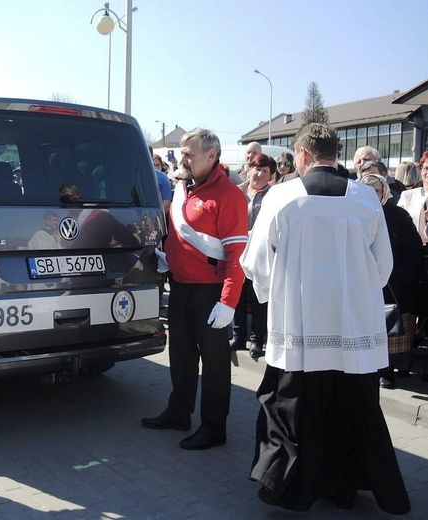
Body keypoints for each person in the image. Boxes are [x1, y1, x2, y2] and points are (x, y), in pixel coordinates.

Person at [241, 123, 410, 514]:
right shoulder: (366, 198)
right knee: (351, 410)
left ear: (301, 155)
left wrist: (271, 296)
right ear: (335, 154)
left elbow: (256, 263)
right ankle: (343, 485)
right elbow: (383, 266)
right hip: (354, 329)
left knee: (296, 409)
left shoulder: (282, 197)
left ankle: (291, 487)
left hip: (300, 327)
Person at [141, 128, 248, 450]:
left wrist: (228, 302)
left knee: (214, 365)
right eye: (181, 152)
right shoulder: (182, 189)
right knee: (182, 356)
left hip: (211, 292)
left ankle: (214, 428)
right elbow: (182, 238)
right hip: (182, 287)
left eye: (189, 153)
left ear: (211, 155)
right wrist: (168, 259)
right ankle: (179, 412)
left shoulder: (229, 196)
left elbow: (236, 257)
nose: (182, 159)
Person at [360, 173, 422, 388]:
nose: (372, 195)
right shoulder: (355, 214)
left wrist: (399, 276)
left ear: (384, 191)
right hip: (363, 284)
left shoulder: (397, 216)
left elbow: (412, 250)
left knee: (389, 330)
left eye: (376, 190)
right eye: (367, 190)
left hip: (393, 285)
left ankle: (387, 371)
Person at [233, 154, 274, 358]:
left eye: (265, 171)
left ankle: (257, 340)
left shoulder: (273, 195)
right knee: (237, 294)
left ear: (270, 176)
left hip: (260, 253)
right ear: (249, 170)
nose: (259, 174)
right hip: (237, 250)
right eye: (256, 169)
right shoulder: (237, 191)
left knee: (258, 296)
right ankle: (238, 335)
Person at [397, 151, 428, 381]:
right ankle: (405, 363)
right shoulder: (410, 196)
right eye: (426, 169)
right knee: (412, 314)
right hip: (415, 260)